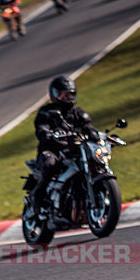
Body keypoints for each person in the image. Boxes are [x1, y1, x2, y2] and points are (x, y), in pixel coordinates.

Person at [28, 75, 99, 218]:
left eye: (70, 94)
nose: (67, 98)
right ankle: (37, 196)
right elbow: (41, 128)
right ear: (54, 95)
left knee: (95, 161)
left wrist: (99, 136)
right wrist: (48, 134)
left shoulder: (78, 113)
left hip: (74, 150)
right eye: (63, 94)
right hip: (52, 150)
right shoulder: (46, 112)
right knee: (50, 164)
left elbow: (89, 128)